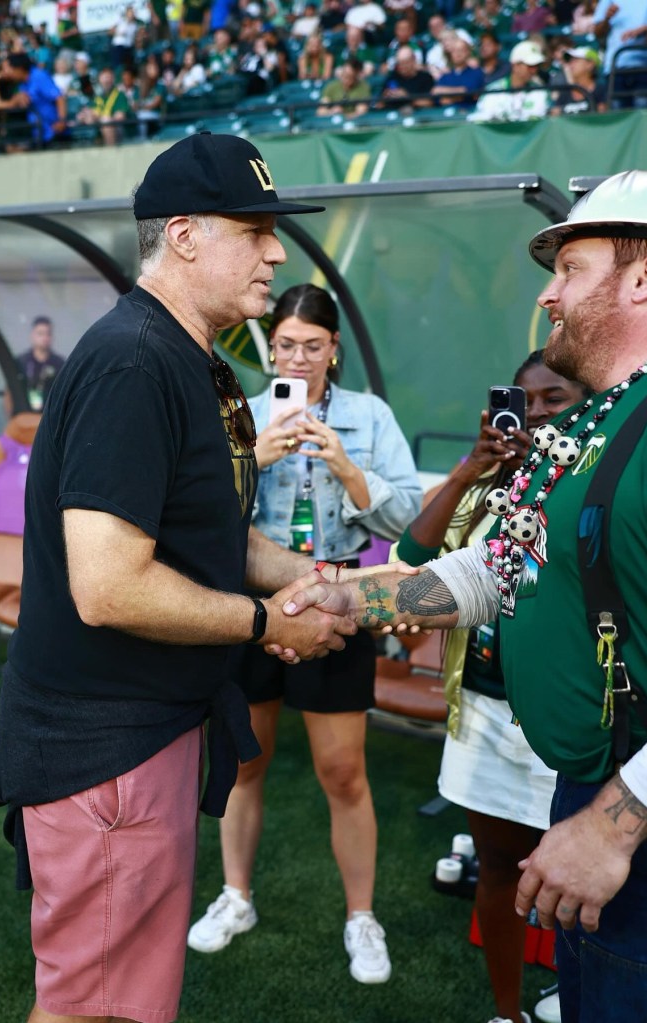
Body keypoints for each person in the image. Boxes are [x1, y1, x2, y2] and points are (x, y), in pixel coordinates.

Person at [282, 169, 647, 1023]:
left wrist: (612, 827)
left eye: (571, 269)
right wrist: (359, 603)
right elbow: (500, 565)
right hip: (611, 790)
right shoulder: (601, 415)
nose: (548, 296)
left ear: (646, 276)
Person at [0, 131, 361, 1023]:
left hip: (146, 735)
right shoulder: (134, 362)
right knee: (91, 1008)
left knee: (126, 1000)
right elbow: (108, 586)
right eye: (254, 230)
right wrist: (269, 624)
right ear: (183, 235)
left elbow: (210, 531)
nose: (276, 252)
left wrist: (322, 580)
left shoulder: (187, 357)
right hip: (106, 747)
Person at [186, 283, 422, 985]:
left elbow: (409, 518)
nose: (297, 357)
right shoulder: (242, 414)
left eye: (312, 346)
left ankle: (361, 916)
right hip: (255, 602)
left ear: (334, 348)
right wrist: (253, 458)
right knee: (244, 762)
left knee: (343, 771)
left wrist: (345, 464)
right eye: (285, 345)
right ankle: (236, 895)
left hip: (338, 599)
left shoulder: (368, 416)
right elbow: (200, 511)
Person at [395, 351, 588, 1023]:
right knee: (499, 866)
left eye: (554, 400)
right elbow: (411, 561)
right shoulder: (489, 486)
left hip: (563, 721)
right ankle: (508, 1012)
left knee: (575, 881)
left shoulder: (599, 484)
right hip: (481, 706)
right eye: (523, 401)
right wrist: (470, 470)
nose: (534, 415)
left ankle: (574, 996)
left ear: (590, 407)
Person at [0, 52, 67, 150]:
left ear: (19, 68)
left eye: (8, 69)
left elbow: (59, 98)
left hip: (55, 134)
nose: (6, 72)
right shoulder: (22, 84)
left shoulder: (38, 76)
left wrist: (61, 120)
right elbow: (12, 103)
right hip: (39, 135)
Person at [593, 0, 647, 108]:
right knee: (617, 113)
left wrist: (646, 28)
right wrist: (607, 18)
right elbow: (598, 32)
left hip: (646, 64)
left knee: (644, 110)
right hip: (615, 65)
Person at [468, 40, 549, 122]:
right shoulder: (493, 90)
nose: (534, 70)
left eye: (536, 66)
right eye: (530, 66)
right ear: (515, 65)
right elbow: (480, 120)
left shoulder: (540, 92)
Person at [5, 315, 66, 415]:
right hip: (24, 418)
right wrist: (13, 418)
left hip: (49, 417)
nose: (45, 338)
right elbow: (9, 393)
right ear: (32, 335)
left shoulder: (59, 363)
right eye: (40, 334)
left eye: (48, 334)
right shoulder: (21, 362)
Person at [549, 45, 607, 114]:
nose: (571, 64)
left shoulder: (601, 90)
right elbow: (554, 114)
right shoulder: (565, 93)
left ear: (590, 64)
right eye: (570, 60)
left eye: (576, 60)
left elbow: (603, 116)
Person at [431, 36, 485, 107]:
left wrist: (447, 95)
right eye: (454, 51)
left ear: (468, 52)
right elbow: (435, 93)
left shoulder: (476, 73)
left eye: (461, 50)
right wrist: (460, 93)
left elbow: (471, 93)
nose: (458, 53)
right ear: (450, 54)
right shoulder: (445, 76)